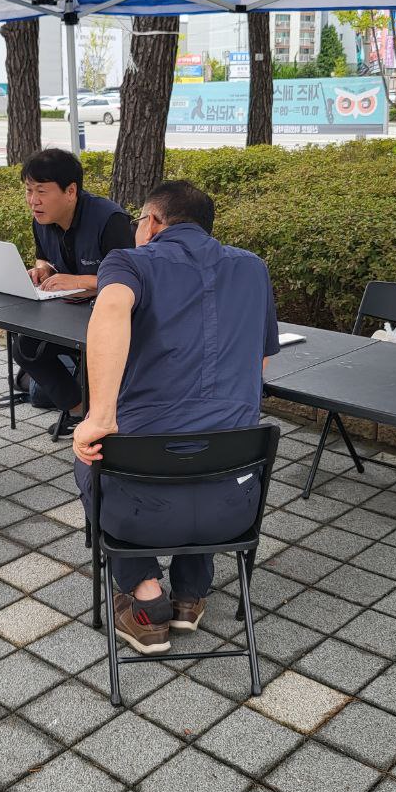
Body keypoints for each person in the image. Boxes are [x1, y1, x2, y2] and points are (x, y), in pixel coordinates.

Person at [73, 180, 280, 655]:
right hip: (234, 509)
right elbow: (260, 363)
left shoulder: (129, 260)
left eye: (139, 220)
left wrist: (98, 416)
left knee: (92, 453)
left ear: (153, 221)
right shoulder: (252, 268)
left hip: (139, 512)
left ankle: (145, 598)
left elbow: (109, 309)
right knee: (208, 445)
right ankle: (191, 596)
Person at [13, 148, 134, 423]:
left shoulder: (110, 220)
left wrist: (79, 281)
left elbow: (134, 280)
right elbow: (43, 256)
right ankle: (79, 409)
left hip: (112, 319)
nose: (33, 201)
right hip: (67, 311)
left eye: (41, 191)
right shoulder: (41, 221)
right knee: (25, 347)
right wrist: (42, 270)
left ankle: (102, 412)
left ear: (70, 191)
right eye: (29, 191)